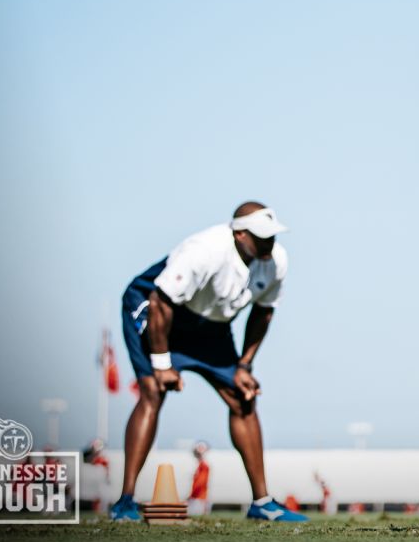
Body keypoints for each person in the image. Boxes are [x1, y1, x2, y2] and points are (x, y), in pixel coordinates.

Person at [109, 202, 306, 522]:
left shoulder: (276, 261)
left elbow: (263, 311)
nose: (269, 243)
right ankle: (125, 502)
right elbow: (160, 303)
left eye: (272, 236)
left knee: (243, 398)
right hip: (158, 312)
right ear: (239, 233)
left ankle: (263, 504)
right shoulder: (204, 250)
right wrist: (161, 365)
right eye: (261, 237)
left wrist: (244, 366)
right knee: (152, 394)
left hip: (210, 326)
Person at [188, 441, 211, 516]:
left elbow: (200, 483)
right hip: (197, 497)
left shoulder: (203, 466)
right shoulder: (201, 465)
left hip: (199, 498)